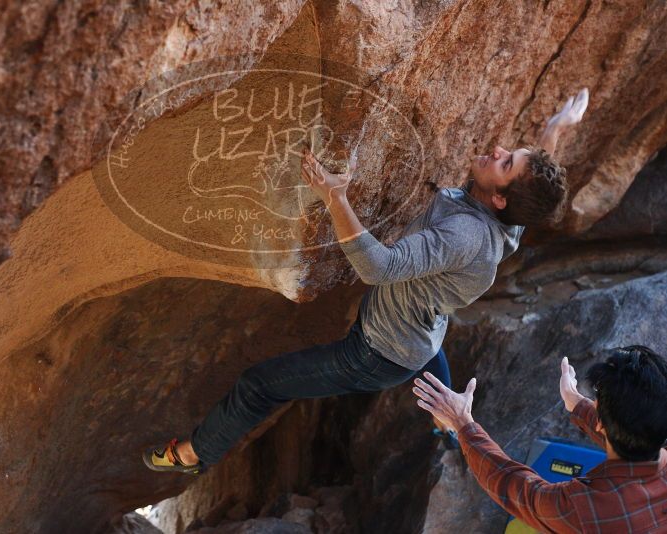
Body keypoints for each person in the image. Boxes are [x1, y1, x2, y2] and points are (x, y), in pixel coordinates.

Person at [143, 89, 589, 475]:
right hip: (421, 333)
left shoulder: (465, 236)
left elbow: (378, 267)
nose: (497, 149)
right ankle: (449, 428)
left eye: (506, 161)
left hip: (376, 354)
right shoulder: (508, 217)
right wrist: (556, 127)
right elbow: (530, 183)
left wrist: (334, 197)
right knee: (429, 357)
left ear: (499, 197)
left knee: (259, 384)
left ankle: (193, 454)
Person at [413, 346, 667, 533]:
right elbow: (635, 437)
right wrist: (576, 403)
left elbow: (513, 485)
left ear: (601, 423)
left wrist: (462, 423)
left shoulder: (584, 509)